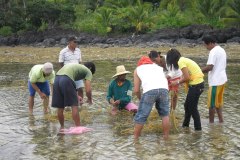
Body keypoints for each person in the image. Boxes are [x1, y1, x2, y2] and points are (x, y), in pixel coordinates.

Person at [166, 49, 204, 131]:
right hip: (196, 85)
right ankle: (185, 126)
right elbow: (186, 75)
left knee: (193, 108)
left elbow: (187, 77)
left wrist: (177, 82)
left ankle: (198, 129)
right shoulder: (183, 60)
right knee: (187, 106)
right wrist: (179, 81)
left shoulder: (180, 62)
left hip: (196, 85)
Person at [133, 56, 170, 140]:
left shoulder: (138, 69)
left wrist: (140, 99)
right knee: (165, 115)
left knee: (141, 116)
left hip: (150, 91)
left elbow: (136, 90)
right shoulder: (158, 67)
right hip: (164, 90)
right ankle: (166, 138)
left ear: (140, 63)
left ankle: (135, 140)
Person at [51, 62, 96, 129]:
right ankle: (78, 128)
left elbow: (70, 85)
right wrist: (89, 99)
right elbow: (88, 90)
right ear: (90, 69)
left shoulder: (77, 67)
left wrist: (76, 96)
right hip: (66, 79)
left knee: (60, 107)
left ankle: (62, 128)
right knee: (74, 106)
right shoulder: (88, 71)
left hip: (57, 79)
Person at [202, 36, 227, 123]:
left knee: (211, 104)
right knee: (218, 103)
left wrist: (198, 71)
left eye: (206, 45)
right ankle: (221, 121)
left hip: (215, 81)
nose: (206, 48)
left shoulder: (213, 51)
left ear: (210, 43)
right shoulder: (221, 50)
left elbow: (210, 67)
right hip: (222, 80)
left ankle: (211, 124)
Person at [59, 36, 84, 103]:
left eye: (77, 42)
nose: (76, 43)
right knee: (69, 90)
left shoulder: (78, 50)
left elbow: (80, 62)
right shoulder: (63, 51)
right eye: (75, 42)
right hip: (68, 73)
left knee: (80, 89)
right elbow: (61, 63)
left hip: (77, 73)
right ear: (69, 42)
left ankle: (80, 103)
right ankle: (68, 104)